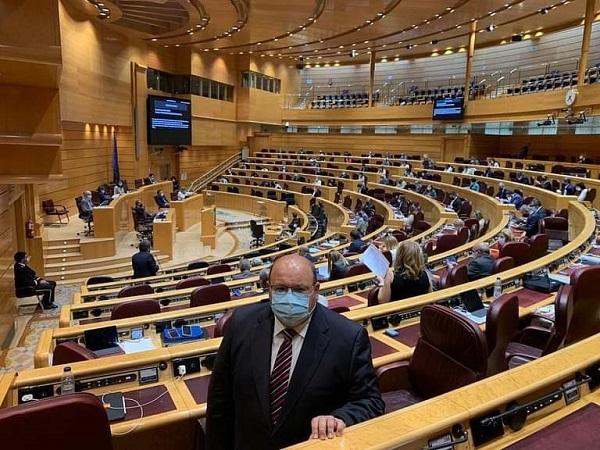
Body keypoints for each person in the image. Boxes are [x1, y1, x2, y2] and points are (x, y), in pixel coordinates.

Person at [205, 254, 384, 449]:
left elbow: (370, 402)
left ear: (316, 290)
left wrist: (340, 417)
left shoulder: (349, 337)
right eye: (280, 289)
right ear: (269, 290)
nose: (289, 298)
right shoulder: (241, 323)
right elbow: (219, 401)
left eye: (299, 290)